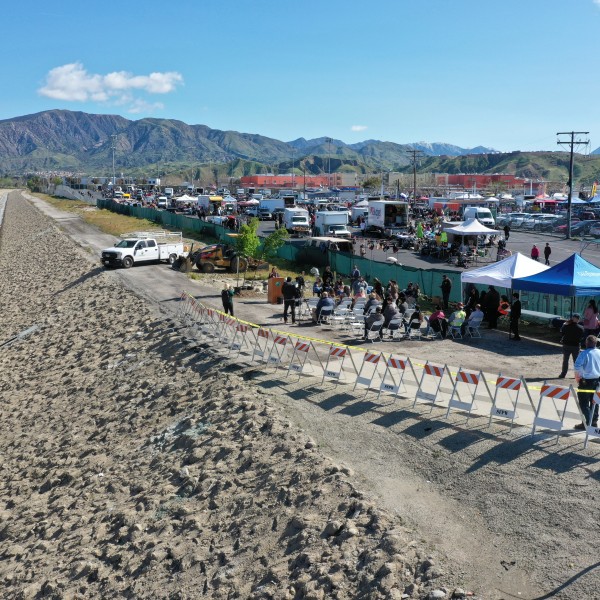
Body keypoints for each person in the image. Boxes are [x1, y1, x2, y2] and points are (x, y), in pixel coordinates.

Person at [573, 335, 600, 429]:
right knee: (595, 402)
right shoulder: (599, 352)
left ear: (586, 343)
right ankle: (593, 422)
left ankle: (588, 422)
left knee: (583, 403)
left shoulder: (584, 353)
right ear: (596, 343)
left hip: (586, 381)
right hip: (597, 381)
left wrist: (578, 378)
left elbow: (577, 366)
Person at [558, 313, 584, 378]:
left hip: (566, 345)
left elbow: (562, 333)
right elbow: (582, 337)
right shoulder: (581, 328)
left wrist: (565, 324)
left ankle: (563, 374)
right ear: (578, 320)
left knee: (565, 360)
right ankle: (577, 375)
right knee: (576, 361)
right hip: (576, 346)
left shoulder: (566, 326)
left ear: (572, 318)